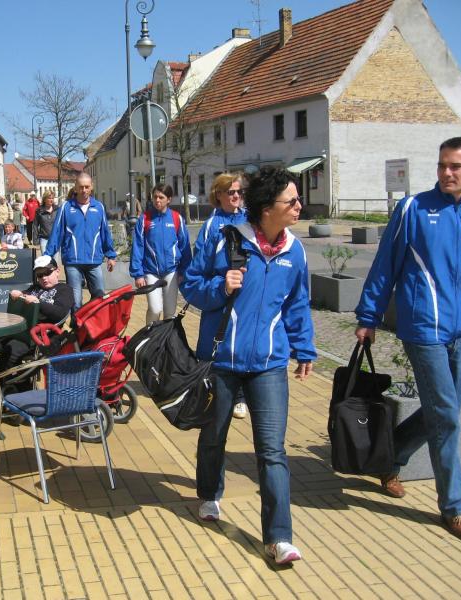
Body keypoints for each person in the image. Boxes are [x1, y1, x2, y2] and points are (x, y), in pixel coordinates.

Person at [354, 137, 461, 541]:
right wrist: (368, 316)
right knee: (446, 415)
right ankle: (455, 507)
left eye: (455, 166)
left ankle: (390, 457)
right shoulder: (413, 209)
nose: (447, 173)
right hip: (423, 327)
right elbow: (385, 265)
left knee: (445, 410)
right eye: (441, 165)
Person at [181, 167, 314, 565]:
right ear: (267, 207)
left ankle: (278, 538)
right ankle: (209, 494)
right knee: (214, 436)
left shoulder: (295, 251)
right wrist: (220, 286)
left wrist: (304, 349)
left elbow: (297, 304)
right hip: (222, 358)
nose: (299, 206)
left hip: (269, 363)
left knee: (272, 450)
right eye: (291, 201)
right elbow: (191, 284)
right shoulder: (226, 238)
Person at [195, 173, 252, 420]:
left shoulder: (251, 220)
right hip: (220, 298)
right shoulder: (211, 225)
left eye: (239, 191)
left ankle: (240, 396)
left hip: (246, 298)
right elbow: (198, 274)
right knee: (216, 346)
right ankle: (210, 391)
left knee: (243, 346)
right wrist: (221, 287)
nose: (236, 196)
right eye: (231, 192)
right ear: (218, 195)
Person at [0, 256, 74, 390]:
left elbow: (60, 313)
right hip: (19, 331)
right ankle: (2, 389)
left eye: (47, 273)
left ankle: (9, 390)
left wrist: (38, 303)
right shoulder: (35, 288)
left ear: (57, 271)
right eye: (39, 275)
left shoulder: (64, 289)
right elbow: (23, 297)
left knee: (9, 351)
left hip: (40, 336)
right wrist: (18, 295)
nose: (44, 278)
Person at [44, 173, 117, 309]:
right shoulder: (66, 207)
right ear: (76, 187)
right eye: (81, 187)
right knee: (75, 302)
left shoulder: (99, 207)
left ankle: (94, 322)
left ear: (91, 187)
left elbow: (105, 233)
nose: (84, 190)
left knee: (100, 299)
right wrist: (47, 256)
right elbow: (56, 233)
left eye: (87, 187)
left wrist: (111, 255)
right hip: (73, 262)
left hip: (94, 261)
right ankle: (76, 323)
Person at [130, 183, 192, 324]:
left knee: (170, 312)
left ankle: (166, 337)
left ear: (169, 199)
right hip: (151, 271)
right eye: (155, 197)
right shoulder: (144, 219)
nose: (157, 200)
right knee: (155, 309)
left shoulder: (176, 218)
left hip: (171, 271)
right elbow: (138, 247)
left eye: (161, 197)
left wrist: (184, 271)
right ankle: (149, 334)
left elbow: (185, 246)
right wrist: (138, 274)